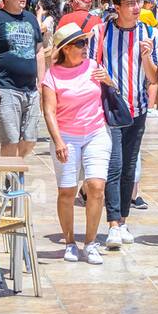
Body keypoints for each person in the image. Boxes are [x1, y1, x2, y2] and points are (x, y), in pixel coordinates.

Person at [90, 0, 158, 250]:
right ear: (116, 7)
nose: (136, 7)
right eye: (130, 3)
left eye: (138, 2)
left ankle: (124, 220)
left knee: (130, 166)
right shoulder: (101, 32)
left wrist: (146, 57)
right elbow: (92, 67)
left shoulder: (149, 32)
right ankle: (113, 224)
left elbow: (154, 77)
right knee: (115, 165)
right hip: (110, 109)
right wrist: (105, 78)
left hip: (138, 108)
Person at [42, 22, 114, 265]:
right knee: (67, 191)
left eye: (86, 43)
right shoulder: (51, 75)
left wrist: (109, 80)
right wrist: (58, 140)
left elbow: (112, 94)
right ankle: (70, 241)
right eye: (80, 44)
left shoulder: (93, 66)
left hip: (96, 132)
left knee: (95, 186)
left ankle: (91, 242)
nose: (86, 48)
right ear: (65, 49)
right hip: (66, 136)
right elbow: (49, 111)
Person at [0, 0, 45, 157]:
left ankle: (15, 172)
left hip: (30, 89)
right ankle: (10, 180)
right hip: (5, 88)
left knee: (30, 139)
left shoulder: (31, 19)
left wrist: (42, 81)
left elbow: (39, 52)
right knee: (10, 140)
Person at [35, 0, 60, 69]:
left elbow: (39, 29)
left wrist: (38, 14)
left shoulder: (49, 19)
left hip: (47, 54)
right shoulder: (52, 18)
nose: (36, 8)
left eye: (38, 6)